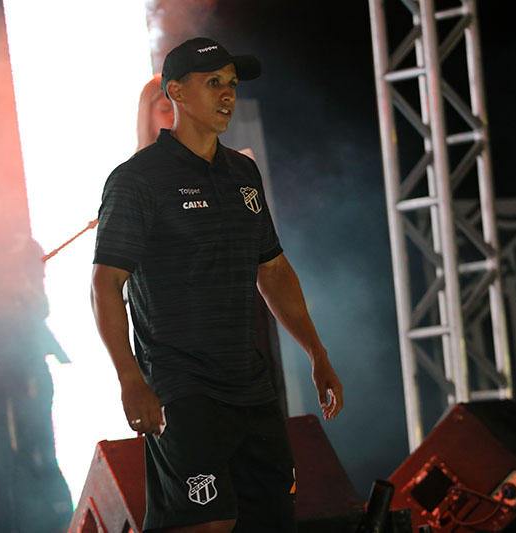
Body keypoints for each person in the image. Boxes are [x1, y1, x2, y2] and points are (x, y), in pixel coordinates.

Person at [91, 37, 343, 532]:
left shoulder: (243, 173)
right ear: (176, 94)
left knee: (271, 520)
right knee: (205, 525)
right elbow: (105, 286)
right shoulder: (136, 180)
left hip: (250, 385)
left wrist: (317, 352)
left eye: (231, 84)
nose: (228, 94)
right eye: (213, 84)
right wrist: (129, 378)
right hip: (181, 388)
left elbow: (271, 269)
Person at [136, 73, 176, 151]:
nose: (175, 115)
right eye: (165, 109)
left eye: (180, 109)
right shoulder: (140, 162)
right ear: (147, 115)